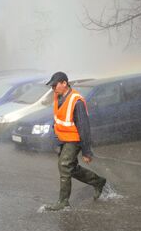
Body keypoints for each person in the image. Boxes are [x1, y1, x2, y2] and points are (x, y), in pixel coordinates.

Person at [45, 71, 106, 211]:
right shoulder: (58, 96)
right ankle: (98, 181)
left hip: (74, 139)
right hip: (62, 139)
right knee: (70, 168)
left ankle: (63, 202)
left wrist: (86, 151)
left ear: (64, 83)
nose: (53, 88)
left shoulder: (76, 101)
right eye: (52, 86)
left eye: (55, 85)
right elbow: (59, 117)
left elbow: (84, 128)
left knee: (64, 166)